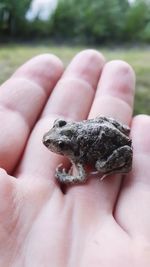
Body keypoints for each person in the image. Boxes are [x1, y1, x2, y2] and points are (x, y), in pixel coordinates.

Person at [0, 49, 149, 266]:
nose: (53, 144)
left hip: (114, 146)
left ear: (70, 149)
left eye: (60, 145)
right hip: (105, 127)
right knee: (100, 132)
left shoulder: (78, 157)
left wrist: (62, 177)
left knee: (98, 163)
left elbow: (80, 177)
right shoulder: (71, 132)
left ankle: (116, 166)